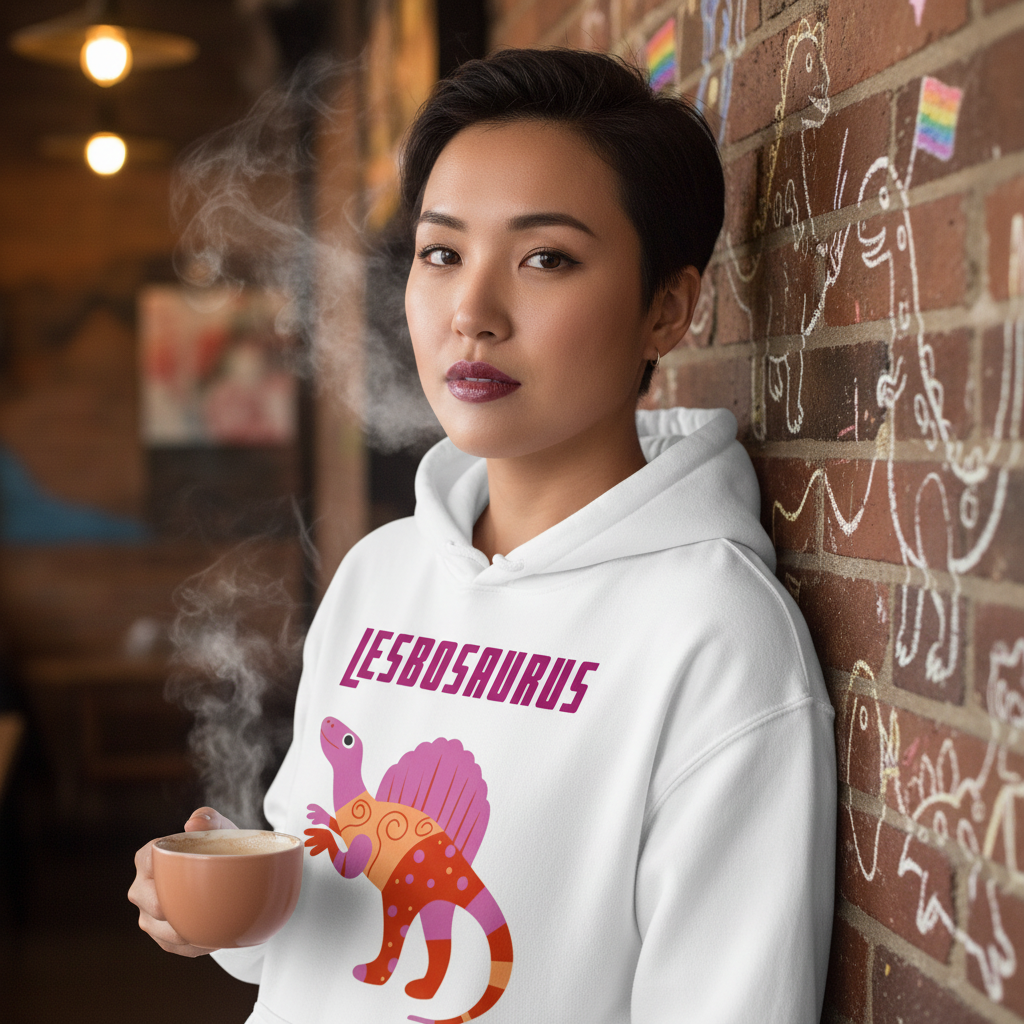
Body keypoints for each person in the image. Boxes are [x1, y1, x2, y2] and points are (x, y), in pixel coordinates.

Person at [130, 47, 836, 1024]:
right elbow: (311, 926)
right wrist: (227, 911)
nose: (471, 313)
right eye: (441, 252)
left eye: (546, 258)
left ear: (666, 309)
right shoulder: (381, 571)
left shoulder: (713, 635)